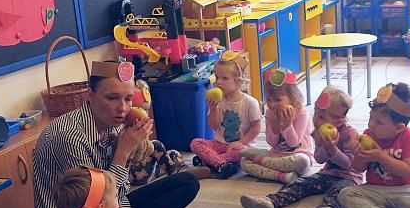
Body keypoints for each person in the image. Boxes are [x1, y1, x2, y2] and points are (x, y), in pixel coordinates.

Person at [34, 59, 200, 208]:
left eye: (128, 99)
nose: (122, 108)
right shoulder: (70, 137)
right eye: (112, 98)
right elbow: (95, 206)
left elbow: (119, 195)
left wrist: (136, 146)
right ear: (90, 95)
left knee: (188, 182)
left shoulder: (112, 123)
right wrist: (123, 153)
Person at [240, 86, 362, 208]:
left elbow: (347, 164)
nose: (316, 120)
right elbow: (319, 159)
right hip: (327, 173)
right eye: (316, 114)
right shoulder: (319, 131)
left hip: (349, 178)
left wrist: (332, 149)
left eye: (322, 117)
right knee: (300, 183)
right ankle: (271, 201)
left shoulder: (349, 134)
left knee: (339, 193)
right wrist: (325, 147)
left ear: (339, 122)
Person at [190, 51, 262, 179]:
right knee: (195, 143)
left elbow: (256, 128)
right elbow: (213, 126)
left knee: (240, 152)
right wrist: (213, 109)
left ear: (238, 81)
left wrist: (240, 142)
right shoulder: (218, 100)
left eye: (224, 78)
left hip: (241, 145)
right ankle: (222, 165)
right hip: (220, 144)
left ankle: (210, 162)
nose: (218, 82)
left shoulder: (250, 102)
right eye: (217, 77)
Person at [128, 79, 211, 185]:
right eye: (140, 110)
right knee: (156, 144)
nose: (145, 115)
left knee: (173, 153)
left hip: (147, 170)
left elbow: (147, 150)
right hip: (135, 174)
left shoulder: (143, 126)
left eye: (147, 110)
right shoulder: (124, 129)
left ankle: (181, 168)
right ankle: (175, 172)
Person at [239, 68, 314, 184]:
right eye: (269, 99)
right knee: (244, 162)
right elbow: (272, 143)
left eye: (278, 100)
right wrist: (274, 125)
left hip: (297, 156)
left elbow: (293, 143)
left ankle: (262, 161)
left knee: (303, 161)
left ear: (293, 97)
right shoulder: (270, 113)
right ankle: (282, 176)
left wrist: (286, 125)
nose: (272, 104)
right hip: (276, 155)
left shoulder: (301, 112)